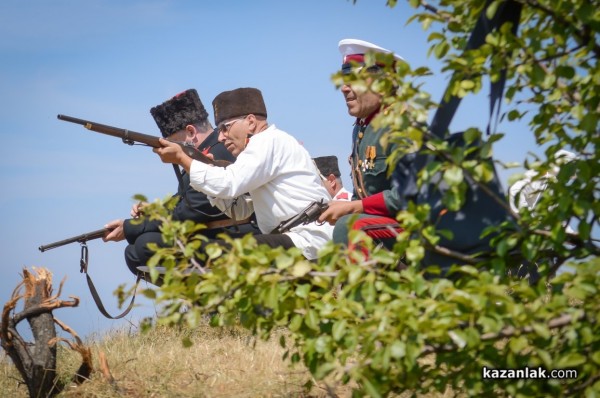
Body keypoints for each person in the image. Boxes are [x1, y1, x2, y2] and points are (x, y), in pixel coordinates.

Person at [153, 87, 333, 262]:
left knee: (230, 255)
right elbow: (239, 210)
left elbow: (228, 184)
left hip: (308, 238)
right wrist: (205, 170)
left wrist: (182, 159)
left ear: (251, 122)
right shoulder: (267, 143)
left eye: (225, 128)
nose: (221, 137)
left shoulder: (266, 141)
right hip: (296, 237)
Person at [102, 89, 256, 276]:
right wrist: (154, 210)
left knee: (145, 245)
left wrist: (130, 227)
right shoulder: (206, 151)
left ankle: (203, 299)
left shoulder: (220, 151)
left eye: (172, 142)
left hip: (238, 235)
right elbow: (185, 198)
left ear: (190, 131)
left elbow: (194, 209)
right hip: (218, 234)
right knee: (135, 252)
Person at [318, 39, 404, 250]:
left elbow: (408, 196)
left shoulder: (401, 124)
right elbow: (362, 193)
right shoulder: (362, 129)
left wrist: (352, 207)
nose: (344, 89)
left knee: (349, 227)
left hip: (415, 229)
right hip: (385, 227)